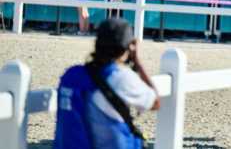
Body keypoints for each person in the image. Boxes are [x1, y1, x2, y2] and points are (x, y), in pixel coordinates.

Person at [54, 18, 159, 149]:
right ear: (128, 46)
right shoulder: (121, 77)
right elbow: (156, 103)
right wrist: (137, 62)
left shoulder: (70, 75)